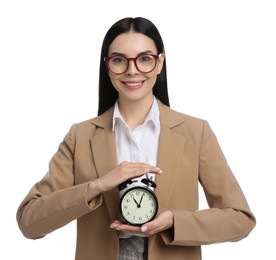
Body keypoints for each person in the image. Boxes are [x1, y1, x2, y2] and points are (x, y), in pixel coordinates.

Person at [16, 17, 256, 260]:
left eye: (144, 59)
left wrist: (175, 222)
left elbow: (240, 218)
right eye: (119, 60)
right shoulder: (81, 136)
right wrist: (96, 186)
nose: (132, 70)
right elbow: (29, 222)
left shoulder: (195, 132)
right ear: (107, 66)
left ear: (160, 62)